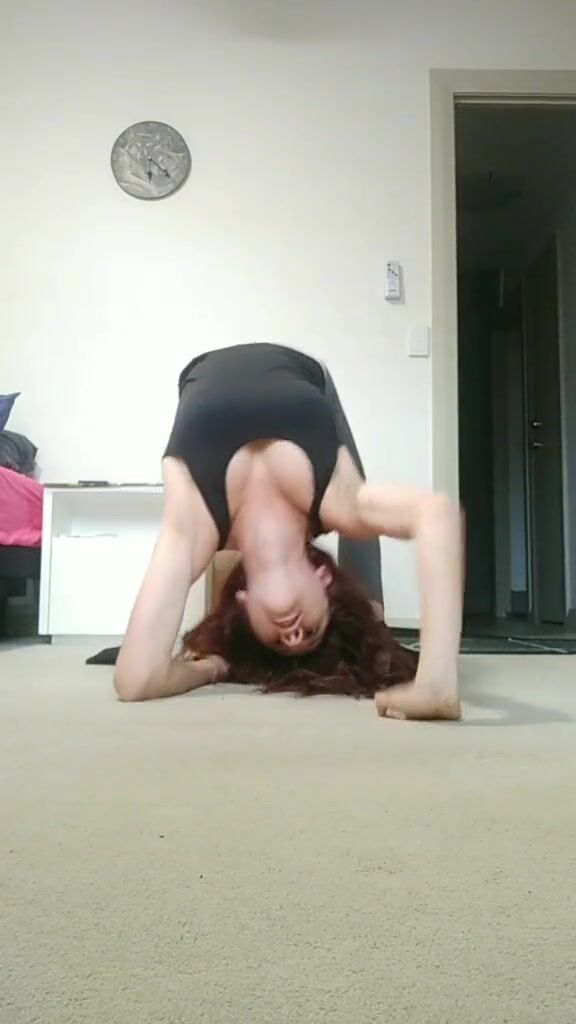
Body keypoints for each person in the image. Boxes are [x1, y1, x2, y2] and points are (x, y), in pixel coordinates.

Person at [115, 343, 463, 720]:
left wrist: (212, 667)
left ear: (244, 603)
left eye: (278, 645)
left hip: (199, 373)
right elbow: (437, 512)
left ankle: (371, 623)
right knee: (358, 519)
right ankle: (375, 618)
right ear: (323, 580)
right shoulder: (335, 499)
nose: (294, 636)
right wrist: (435, 680)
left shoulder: (196, 525)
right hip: (308, 374)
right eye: (312, 632)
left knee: (358, 520)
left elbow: (136, 681)